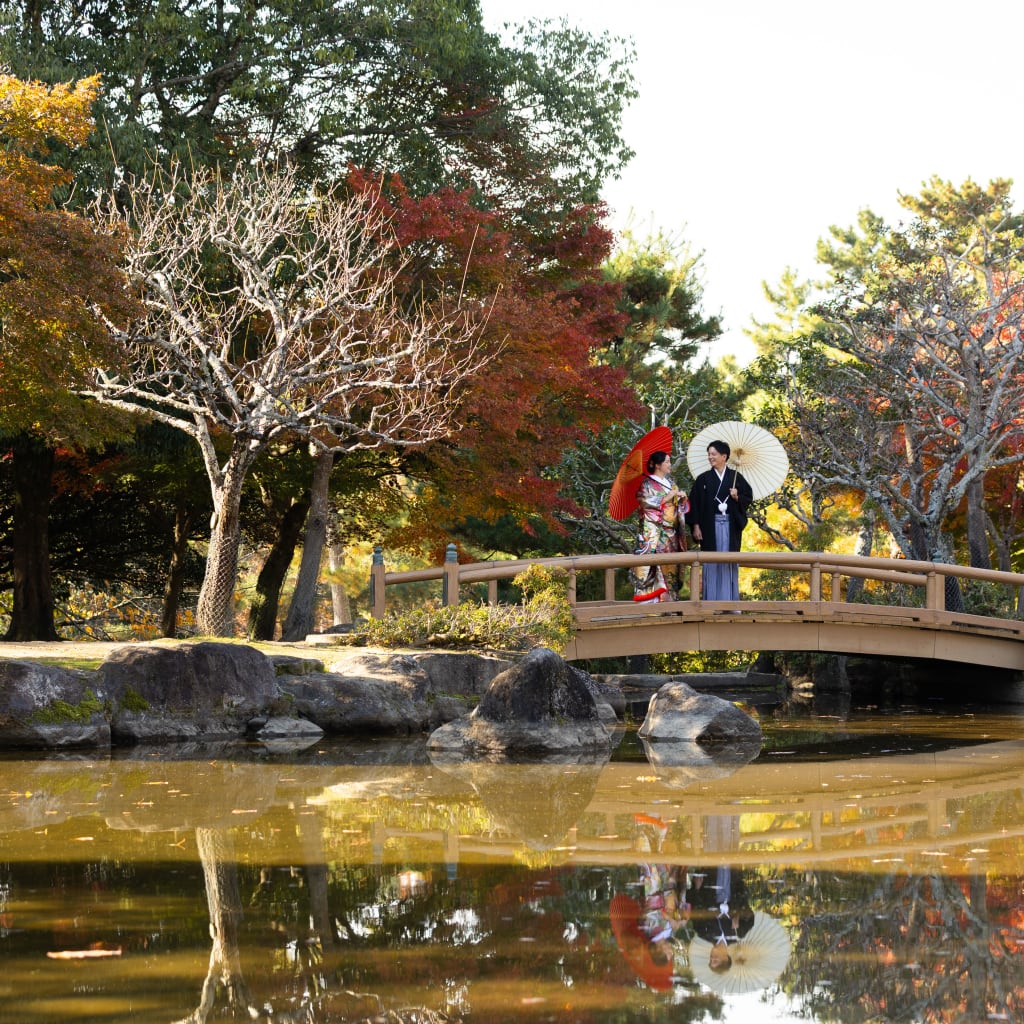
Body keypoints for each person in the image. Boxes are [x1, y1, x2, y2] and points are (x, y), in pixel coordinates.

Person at [685, 440, 753, 601]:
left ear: (724, 456)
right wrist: (695, 526)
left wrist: (737, 497)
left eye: (713, 454)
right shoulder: (703, 479)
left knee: (729, 561)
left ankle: (730, 603)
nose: (710, 457)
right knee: (711, 561)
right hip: (709, 527)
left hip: (730, 525)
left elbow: (748, 497)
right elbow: (693, 504)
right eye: (709, 454)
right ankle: (711, 602)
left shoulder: (736, 477)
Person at [631, 451, 688, 603]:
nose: (670, 464)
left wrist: (681, 499)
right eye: (667, 462)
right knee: (654, 569)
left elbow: (679, 509)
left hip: (672, 534)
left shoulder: (671, 483)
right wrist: (665, 498)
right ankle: (653, 605)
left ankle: (670, 604)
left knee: (671, 570)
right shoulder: (647, 484)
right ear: (657, 465)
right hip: (656, 533)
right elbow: (644, 502)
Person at [685, 864, 754, 974]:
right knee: (731, 853)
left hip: (711, 879)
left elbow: (694, 907)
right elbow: (749, 913)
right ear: (725, 958)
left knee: (713, 852)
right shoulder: (738, 933)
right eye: (715, 960)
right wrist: (739, 916)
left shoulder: (702, 932)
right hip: (732, 882)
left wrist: (696, 888)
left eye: (711, 959)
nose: (712, 957)